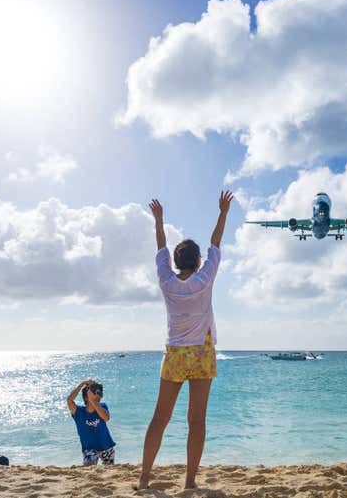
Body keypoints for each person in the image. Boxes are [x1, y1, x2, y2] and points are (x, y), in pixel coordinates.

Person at [137, 190, 234, 490]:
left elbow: (160, 249)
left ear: (176, 262)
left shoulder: (166, 281)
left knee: (159, 419)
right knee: (197, 421)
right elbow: (215, 243)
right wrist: (223, 213)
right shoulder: (204, 279)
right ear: (198, 261)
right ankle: (190, 481)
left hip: (175, 354)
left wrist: (159, 220)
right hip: (202, 354)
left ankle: (144, 478)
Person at [67, 380, 116, 465]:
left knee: (110, 469)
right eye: (96, 393)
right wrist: (82, 384)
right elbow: (69, 400)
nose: (99, 396)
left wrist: (93, 401)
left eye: (100, 393)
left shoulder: (102, 406)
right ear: (86, 396)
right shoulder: (78, 412)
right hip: (89, 449)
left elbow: (106, 418)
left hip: (107, 447)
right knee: (89, 468)